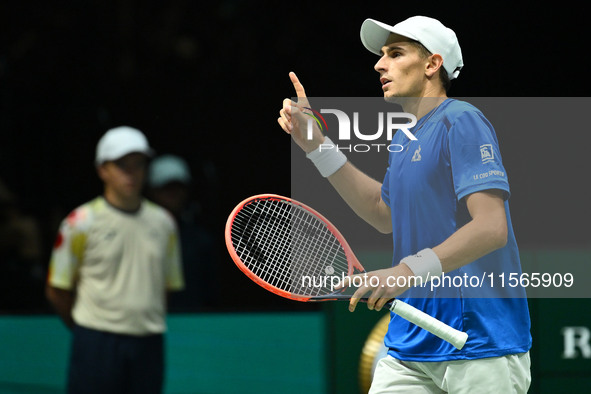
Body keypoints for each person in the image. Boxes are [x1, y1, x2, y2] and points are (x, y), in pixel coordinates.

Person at [278, 16, 531, 393]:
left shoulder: (461, 120)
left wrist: (404, 272)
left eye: (396, 54)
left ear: (432, 64)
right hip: (410, 344)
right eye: (382, 56)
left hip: (478, 341)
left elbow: (491, 227)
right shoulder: (404, 140)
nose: (380, 65)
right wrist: (318, 148)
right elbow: (384, 215)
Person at [46, 126, 185, 394]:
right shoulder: (79, 222)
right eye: (122, 164)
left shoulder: (165, 223)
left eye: (138, 164)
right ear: (102, 170)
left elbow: (166, 288)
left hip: (149, 343)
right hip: (96, 342)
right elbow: (57, 290)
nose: (131, 172)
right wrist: (90, 330)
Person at [147, 154, 217, 310]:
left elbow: (211, 293)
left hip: (193, 324)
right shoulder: (135, 235)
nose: (173, 194)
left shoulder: (201, 240)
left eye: (178, 187)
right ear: (151, 190)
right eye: (166, 188)